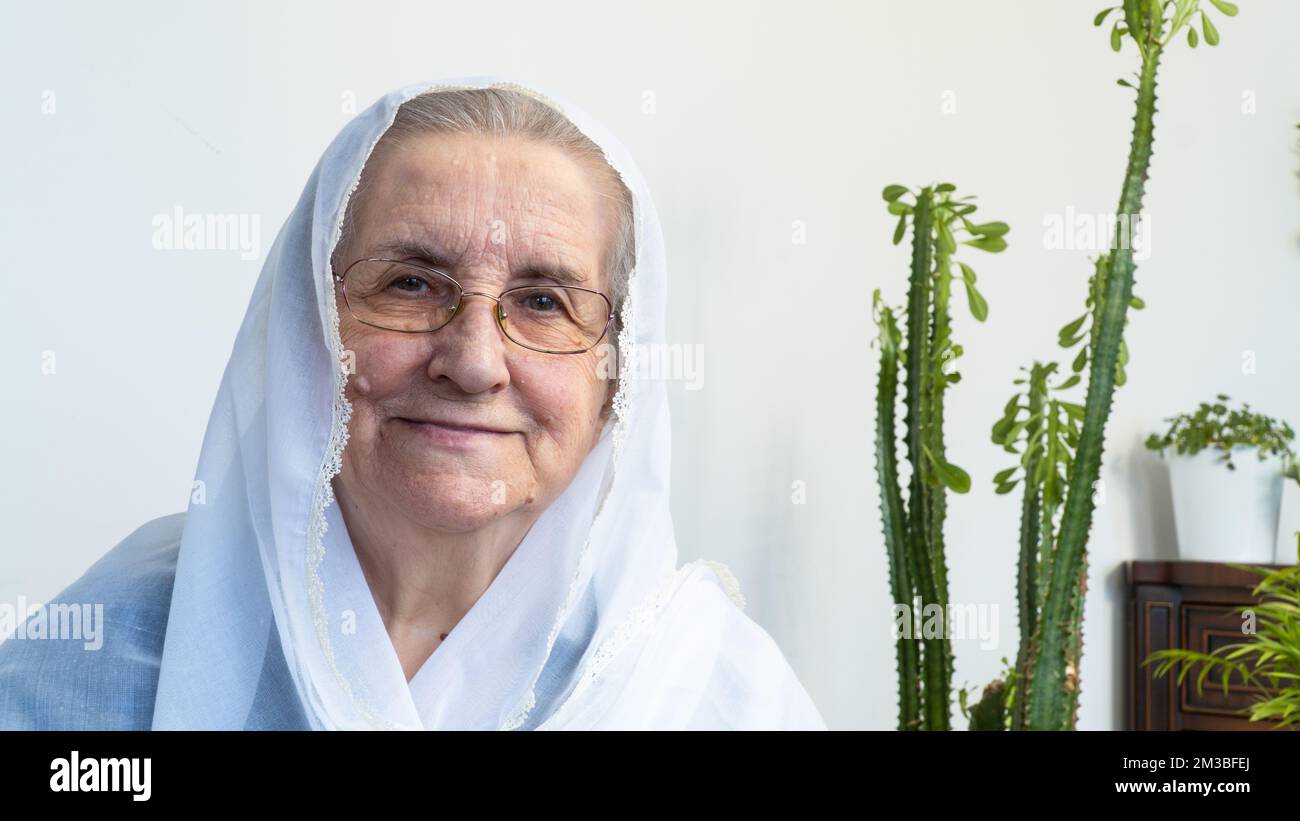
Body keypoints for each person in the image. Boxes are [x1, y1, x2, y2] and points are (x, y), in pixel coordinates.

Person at [0, 76, 827, 730]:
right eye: (409, 282)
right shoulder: (113, 648)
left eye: (544, 302)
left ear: (619, 376)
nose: (473, 363)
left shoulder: (720, 697)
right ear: (308, 332)